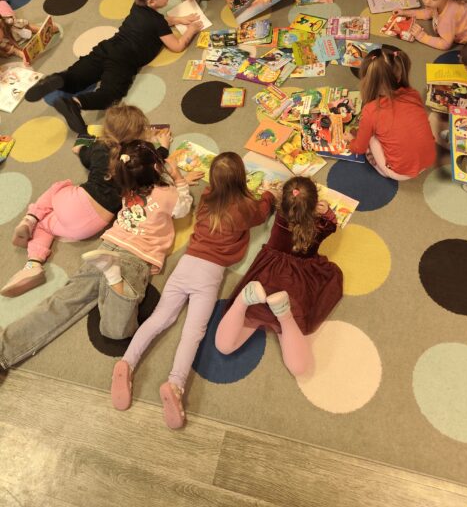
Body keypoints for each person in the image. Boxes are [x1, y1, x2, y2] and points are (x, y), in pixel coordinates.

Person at [109, 152, 274, 430]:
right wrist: (269, 195)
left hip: (186, 264)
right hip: (209, 275)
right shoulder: (245, 208)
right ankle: (175, 383)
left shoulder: (208, 195)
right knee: (193, 332)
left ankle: (127, 361)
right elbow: (262, 211)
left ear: (213, 181)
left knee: (160, 318)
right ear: (241, 179)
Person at [0, 140, 198, 371]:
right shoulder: (169, 194)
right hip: (135, 257)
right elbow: (184, 207)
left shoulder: (126, 185)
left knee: (62, 302)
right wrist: (179, 179)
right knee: (116, 331)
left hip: (108, 245)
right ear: (157, 168)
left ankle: (4, 349)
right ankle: (113, 277)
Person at [2, 104, 170, 297]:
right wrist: (164, 146)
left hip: (76, 202)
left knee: (59, 188)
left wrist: (81, 148)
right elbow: (158, 160)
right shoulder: (139, 158)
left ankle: (32, 234)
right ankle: (32, 262)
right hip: (93, 225)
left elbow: (83, 155)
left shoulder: (100, 148)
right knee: (49, 225)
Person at [24, 0, 202, 134]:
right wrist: (191, 30)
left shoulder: (137, 7)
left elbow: (158, 22)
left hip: (107, 47)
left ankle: (58, 79)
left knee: (77, 77)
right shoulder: (158, 22)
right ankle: (76, 103)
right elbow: (176, 46)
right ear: (151, 2)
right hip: (124, 59)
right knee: (111, 93)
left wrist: (179, 19)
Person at [216, 176, 342, 378]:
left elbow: (282, 204)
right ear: (314, 205)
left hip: (267, 274)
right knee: (300, 368)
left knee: (224, 346)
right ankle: (284, 313)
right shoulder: (321, 226)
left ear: (283, 203)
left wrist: (270, 193)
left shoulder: (281, 216)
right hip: (299, 282)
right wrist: (326, 212)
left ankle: (243, 300)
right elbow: (333, 224)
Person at [345, 47, 436, 180]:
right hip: (429, 159)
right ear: (399, 75)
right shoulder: (413, 94)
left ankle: (384, 170)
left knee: (372, 138)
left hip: (401, 172)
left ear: (367, 81)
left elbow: (359, 148)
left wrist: (351, 141)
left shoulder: (370, 110)